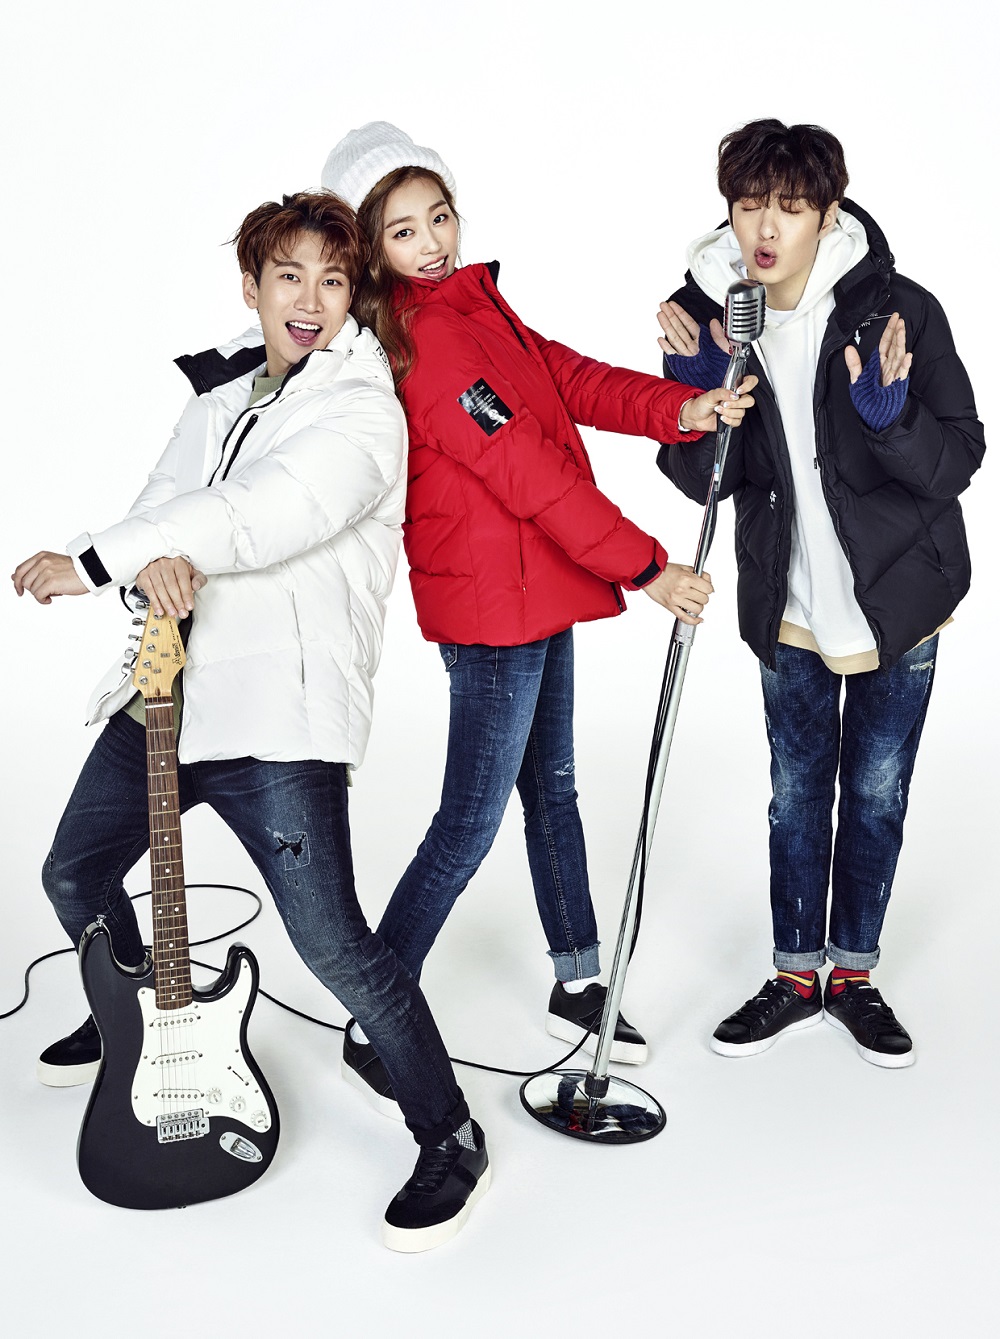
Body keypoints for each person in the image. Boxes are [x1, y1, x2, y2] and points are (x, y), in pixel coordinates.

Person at [12, 191, 489, 1251]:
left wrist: (98, 561)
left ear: (355, 294)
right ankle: (141, 1018)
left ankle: (450, 1134)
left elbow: (265, 511)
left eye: (334, 279)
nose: (311, 299)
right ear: (252, 287)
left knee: (337, 950)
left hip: (276, 716)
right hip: (169, 693)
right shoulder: (221, 397)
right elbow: (166, 505)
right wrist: (152, 567)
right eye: (289, 277)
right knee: (73, 874)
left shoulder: (362, 409)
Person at [318, 122, 757, 1108]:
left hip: (535, 585)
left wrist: (678, 409)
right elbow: (525, 470)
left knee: (551, 789)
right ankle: (374, 1009)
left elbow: (568, 377)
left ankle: (578, 981)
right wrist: (646, 566)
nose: (431, 241)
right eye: (402, 231)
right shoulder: (427, 341)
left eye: (438, 216)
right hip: (493, 611)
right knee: (468, 821)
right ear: (368, 246)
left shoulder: (472, 304)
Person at [656, 119, 984, 1067]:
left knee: (875, 795)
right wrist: (696, 399)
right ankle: (797, 973)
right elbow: (704, 484)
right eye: (749, 205)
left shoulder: (898, 310)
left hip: (897, 600)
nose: (766, 228)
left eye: (791, 208)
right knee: (796, 793)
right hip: (788, 596)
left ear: (828, 214)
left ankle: (856, 975)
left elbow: (959, 457)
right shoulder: (712, 314)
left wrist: (889, 419)